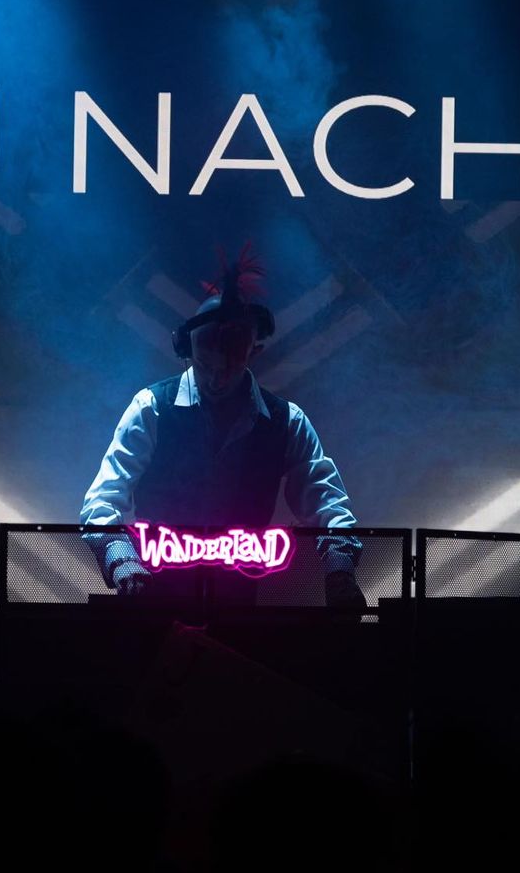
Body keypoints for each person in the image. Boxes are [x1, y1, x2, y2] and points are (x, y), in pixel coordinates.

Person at [79, 244, 368, 613]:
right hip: (155, 601)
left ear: (253, 353)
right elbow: (103, 500)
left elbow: (327, 503)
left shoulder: (287, 422)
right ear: (188, 350)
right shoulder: (150, 408)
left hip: (238, 606)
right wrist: (121, 558)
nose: (216, 377)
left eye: (230, 365)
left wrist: (340, 570)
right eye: (205, 364)